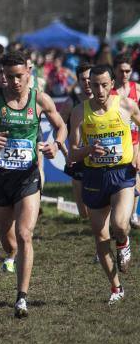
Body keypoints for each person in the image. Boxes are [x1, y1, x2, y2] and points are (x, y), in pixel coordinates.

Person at [0, 51, 68, 318]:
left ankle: (21, 298)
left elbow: (61, 126)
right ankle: (10, 254)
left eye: (19, 76)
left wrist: (55, 145)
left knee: (25, 235)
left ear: (28, 73)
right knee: (8, 241)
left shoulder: (40, 99)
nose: (13, 82)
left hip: (27, 177)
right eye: (8, 77)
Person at [68, 64, 140, 305]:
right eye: (94, 84)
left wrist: (138, 151)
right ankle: (116, 287)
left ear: (112, 84)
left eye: (103, 85)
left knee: (120, 224)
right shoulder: (80, 112)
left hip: (122, 175)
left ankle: (124, 242)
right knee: (100, 237)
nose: (98, 89)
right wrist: (87, 150)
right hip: (95, 177)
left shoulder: (126, 105)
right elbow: (72, 154)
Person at [60, 63, 94, 219]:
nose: (87, 83)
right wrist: (66, 152)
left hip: (98, 151)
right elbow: (59, 127)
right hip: (78, 152)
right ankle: (86, 220)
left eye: (89, 79)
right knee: (83, 213)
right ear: (78, 81)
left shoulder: (105, 100)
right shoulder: (71, 102)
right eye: (83, 80)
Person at [112, 55, 140, 227]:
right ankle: (118, 215)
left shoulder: (137, 90)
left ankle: (132, 215)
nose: (124, 74)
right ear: (114, 70)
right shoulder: (109, 92)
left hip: (135, 140)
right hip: (116, 142)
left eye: (127, 71)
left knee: (137, 174)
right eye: (121, 71)